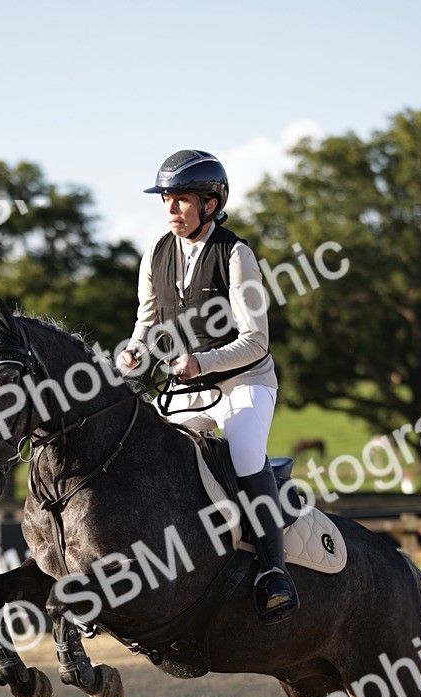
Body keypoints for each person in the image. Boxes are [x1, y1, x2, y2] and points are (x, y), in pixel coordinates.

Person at [118, 149, 299, 622]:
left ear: (211, 204)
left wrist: (203, 361)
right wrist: (134, 351)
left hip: (244, 384)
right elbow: (147, 322)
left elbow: (256, 341)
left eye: (181, 200)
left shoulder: (236, 255)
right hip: (188, 390)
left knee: (242, 455)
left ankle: (273, 572)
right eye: (167, 200)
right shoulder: (155, 253)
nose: (172, 209)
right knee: (142, 457)